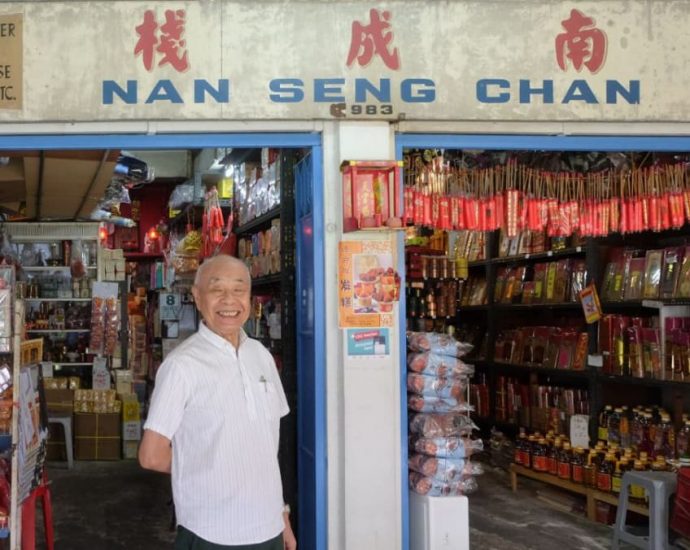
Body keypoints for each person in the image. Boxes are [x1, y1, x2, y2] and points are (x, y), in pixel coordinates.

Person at [139, 254, 297, 550]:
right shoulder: (182, 366)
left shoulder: (260, 355)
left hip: (268, 529)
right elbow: (152, 455)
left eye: (239, 290)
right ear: (198, 298)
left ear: (249, 299)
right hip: (211, 531)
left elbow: (266, 449)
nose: (229, 300)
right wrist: (213, 467)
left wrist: (282, 514)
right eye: (217, 289)